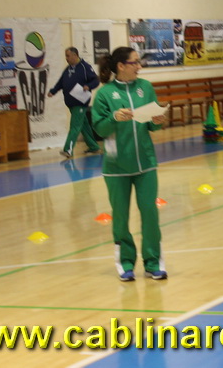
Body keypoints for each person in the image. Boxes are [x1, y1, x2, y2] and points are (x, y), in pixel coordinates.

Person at [92, 47, 167, 281]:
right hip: (116, 167)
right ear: (121, 66)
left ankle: (153, 262)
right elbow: (99, 129)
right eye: (135, 62)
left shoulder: (145, 88)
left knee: (150, 213)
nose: (139, 66)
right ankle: (125, 263)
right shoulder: (104, 94)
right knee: (121, 218)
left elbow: (152, 125)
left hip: (146, 163)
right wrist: (113, 118)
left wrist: (158, 120)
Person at [48, 47, 101, 158]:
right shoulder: (67, 69)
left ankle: (68, 149)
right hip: (70, 103)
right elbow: (61, 83)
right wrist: (53, 91)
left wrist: (88, 86)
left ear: (75, 55)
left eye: (68, 56)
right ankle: (94, 146)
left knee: (75, 126)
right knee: (83, 125)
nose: (66, 58)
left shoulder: (85, 67)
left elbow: (96, 80)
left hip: (80, 102)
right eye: (66, 56)